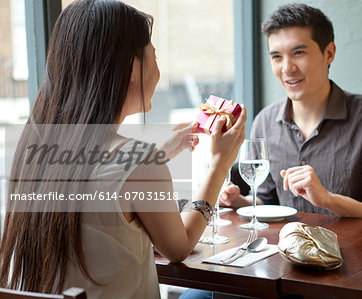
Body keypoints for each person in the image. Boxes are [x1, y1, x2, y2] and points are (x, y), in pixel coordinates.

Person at [0, 1, 245, 298]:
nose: (157, 68)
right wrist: (220, 163)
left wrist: (158, 156)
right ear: (132, 66)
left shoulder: (33, 150)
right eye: (153, 55)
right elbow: (179, 247)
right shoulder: (139, 162)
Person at [220, 3, 362, 221]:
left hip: (353, 253)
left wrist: (327, 199)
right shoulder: (264, 121)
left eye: (299, 53)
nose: (287, 68)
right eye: (276, 57)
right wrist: (237, 201)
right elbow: (268, 200)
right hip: (285, 251)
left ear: (329, 53)